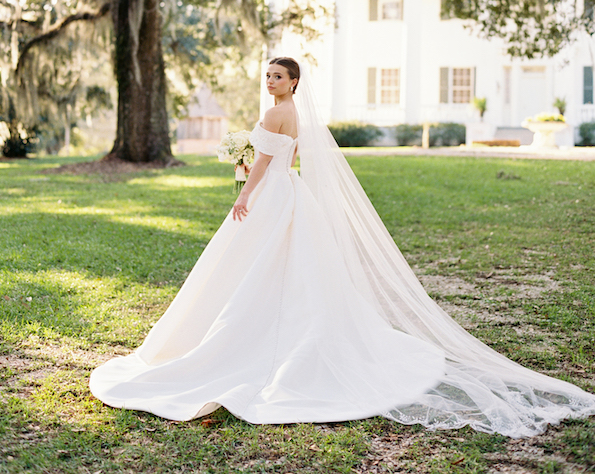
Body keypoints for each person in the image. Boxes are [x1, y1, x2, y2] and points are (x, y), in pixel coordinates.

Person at [90, 57, 595, 437]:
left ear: (293, 83)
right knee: (289, 266)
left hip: (269, 194)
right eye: (267, 75)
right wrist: (253, 166)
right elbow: (286, 159)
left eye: (278, 76)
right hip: (291, 193)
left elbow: (265, 165)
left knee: (253, 264)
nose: (270, 82)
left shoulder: (274, 112)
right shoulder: (292, 114)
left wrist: (243, 192)